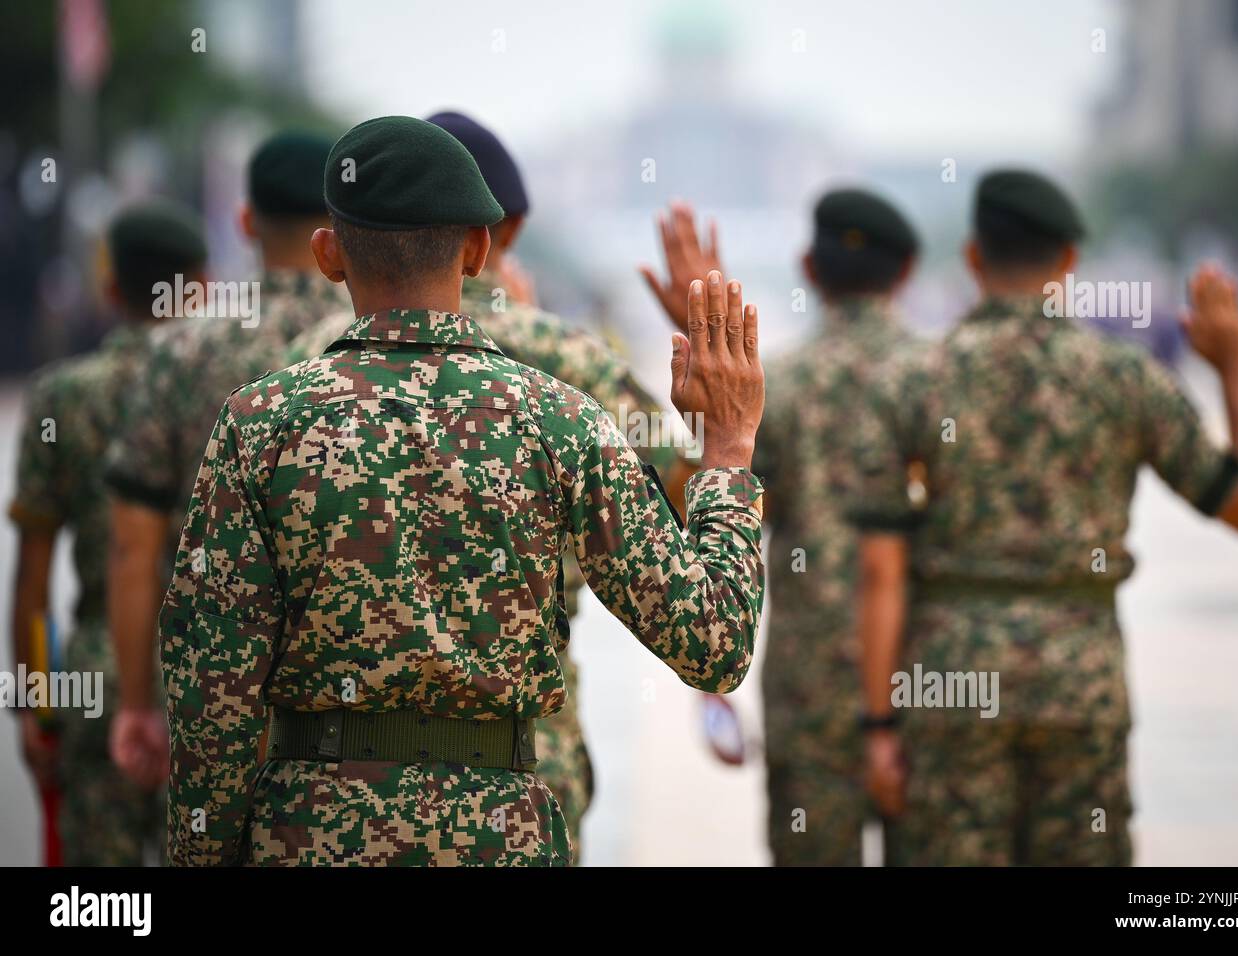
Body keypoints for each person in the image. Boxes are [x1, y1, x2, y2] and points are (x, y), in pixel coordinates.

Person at [161, 115, 766, 866]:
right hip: (496, 837)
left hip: (308, 835)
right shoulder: (564, 422)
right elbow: (715, 643)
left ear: (328, 254)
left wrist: (203, 853)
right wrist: (730, 452)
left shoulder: (258, 423)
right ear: (478, 250)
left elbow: (209, 696)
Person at [284, 112, 697, 858]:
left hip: (321, 780)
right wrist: (715, 412)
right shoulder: (565, 364)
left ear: (336, 248)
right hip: (516, 752)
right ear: (488, 238)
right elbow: (683, 500)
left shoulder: (294, 376)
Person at [853, 169, 1238, 866]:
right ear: (1070, 262)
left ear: (974, 257)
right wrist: (1235, 370)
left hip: (952, 682)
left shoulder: (910, 382)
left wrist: (876, 727)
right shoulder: (1124, 380)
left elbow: (878, 570)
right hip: (1082, 684)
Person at [104, 131, 347, 790]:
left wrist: (137, 704)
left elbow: (133, 546)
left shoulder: (181, 352)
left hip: (214, 705)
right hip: (352, 719)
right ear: (340, 228)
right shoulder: (378, 349)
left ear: (245, 223)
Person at [7, 200, 208, 864]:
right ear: (201, 284)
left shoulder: (63, 396)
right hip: (208, 685)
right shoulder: (238, 386)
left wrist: (36, 704)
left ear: (112, 288)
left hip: (95, 684)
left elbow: (33, 575)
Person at [750, 188, 919, 866]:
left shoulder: (778, 386)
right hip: (930, 672)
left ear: (809, 270)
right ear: (906, 271)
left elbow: (726, 517)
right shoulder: (940, 377)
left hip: (808, 682)